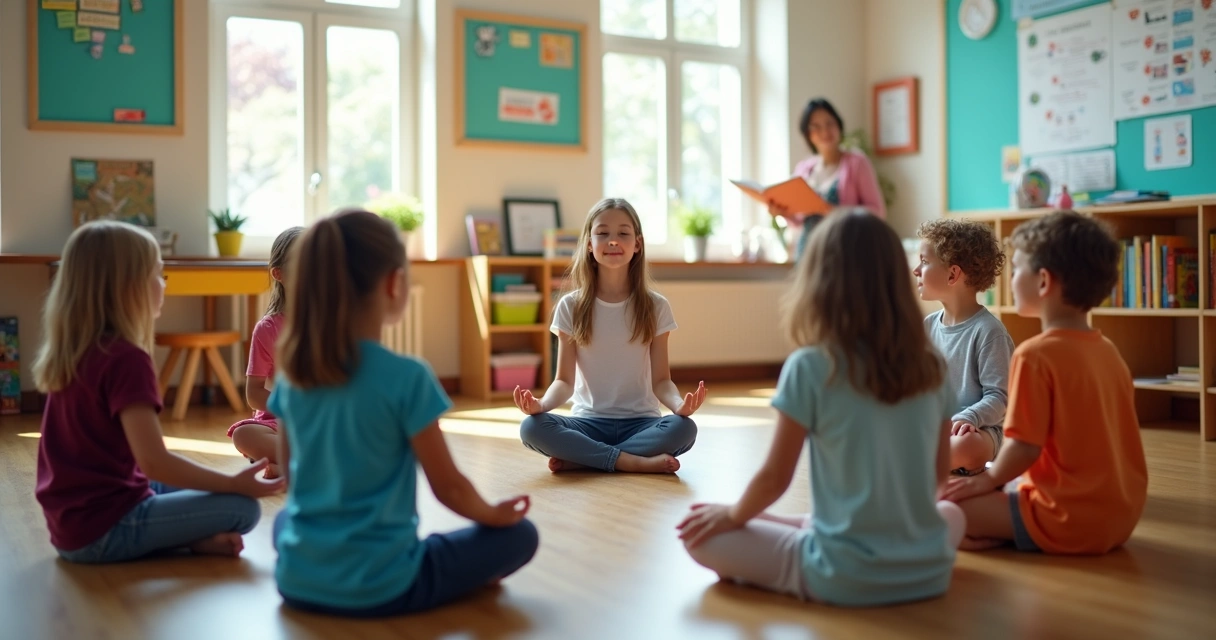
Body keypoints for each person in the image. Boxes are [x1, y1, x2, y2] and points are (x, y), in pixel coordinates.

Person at [677, 209, 965, 606]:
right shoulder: (931, 364)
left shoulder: (811, 365)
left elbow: (775, 479)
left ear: (820, 282)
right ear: (897, 280)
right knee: (952, 515)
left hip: (842, 575)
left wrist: (733, 517)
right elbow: (937, 481)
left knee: (704, 535)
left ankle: (811, 534)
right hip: (927, 571)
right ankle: (813, 527)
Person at [270, 209, 537, 617]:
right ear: (394, 284)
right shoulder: (407, 376)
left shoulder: (294, 374)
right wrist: (492, 515)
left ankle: (315, 564)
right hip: (387, 586)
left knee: (285, 521)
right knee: (520, 536)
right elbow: (449, 488)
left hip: (297, 581)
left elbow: (290, 475)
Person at [33, 221, 281, 563]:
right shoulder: (126, 359)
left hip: (73, 523)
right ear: (128, 287)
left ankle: (193, 537)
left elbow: (143, 466)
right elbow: (155, 461)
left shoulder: (75, 350)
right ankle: (184, 538)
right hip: (103, 529)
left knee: (212, 485)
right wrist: (232, 486)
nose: (163, 284)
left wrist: (221, 483)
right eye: (158, 274)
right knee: (243, 508)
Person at [943, 211, 1147, 554]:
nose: (1010, 279)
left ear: (1043, 282)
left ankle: (1002, 533)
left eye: (1017, 268)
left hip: (1066, 517)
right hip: (1123, 516)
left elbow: (1024, 447)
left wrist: (988, 480)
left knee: (945, 503)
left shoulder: (1034, 356)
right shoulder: (1109, 352)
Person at [515, 198, 705, 474]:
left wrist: (678, 406)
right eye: (602, 233)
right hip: (588, 424)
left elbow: (662, 380)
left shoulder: (656, 306)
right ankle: (630, 462)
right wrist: (540, 404)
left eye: (623, 233)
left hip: (642, 423)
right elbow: (564, 381)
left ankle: (585, 459)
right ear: (589, 244)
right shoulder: (570, 306)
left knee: (684, 429)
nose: (613, 241)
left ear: (637, 244)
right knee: (531, 427)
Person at [914, 219, 1014, 475]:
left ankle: (913, 466)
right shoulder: (927, 326)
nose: (916, 270)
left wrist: (968, 418)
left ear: (952, 274)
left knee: (966, 445)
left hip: (981, 429)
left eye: (924, 262)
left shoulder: (989, 332)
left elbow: (1000, 397)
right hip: (935, 427)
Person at [228, 226, 303, 479]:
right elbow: (254, 394)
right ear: (279, 274)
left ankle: (294, 467)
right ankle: (313, 466)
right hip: (280, 424)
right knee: (244, 434)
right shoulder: (268, 329)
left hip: (325, 422)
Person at [769, 98, 886, 261]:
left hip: (845, 253)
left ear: (838, 125)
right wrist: (783, 213)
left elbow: (877, 212)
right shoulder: (804, 169)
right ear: (808, 134)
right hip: (807, 254)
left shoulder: (857, 163)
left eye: (829, 123)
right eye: (816, 126)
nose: (824, 131)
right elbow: (800, 222)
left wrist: (833, 211)